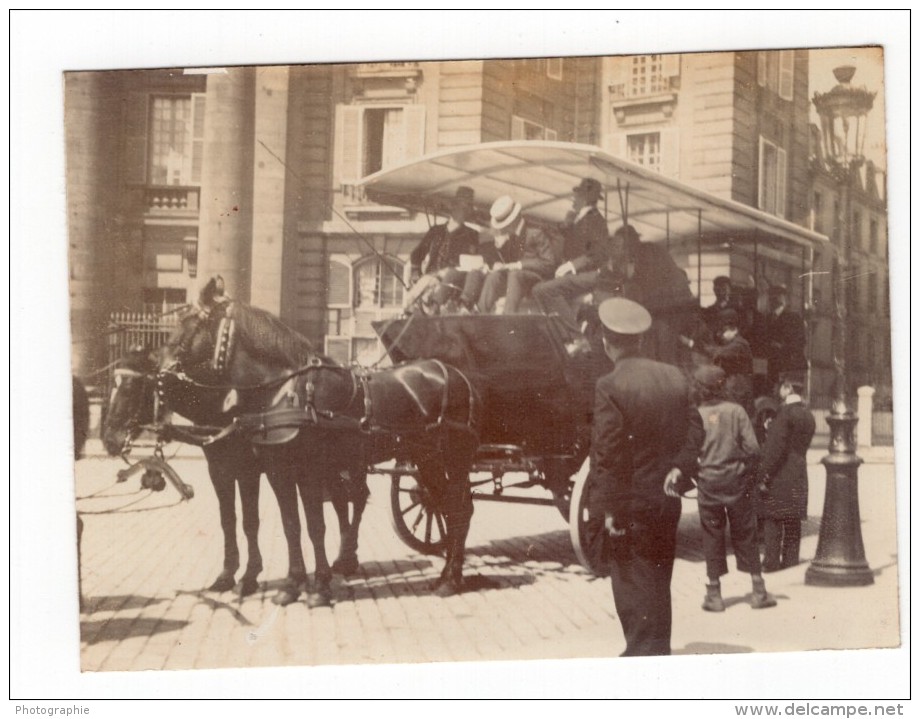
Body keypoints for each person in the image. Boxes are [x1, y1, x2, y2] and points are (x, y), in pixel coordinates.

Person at [589, 297, 704, 656]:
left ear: (608, 343)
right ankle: (658, 649)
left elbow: (606, 456)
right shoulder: (673, 375)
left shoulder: (609, 385)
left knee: (630, 581)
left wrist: (610, 511)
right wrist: (680, 467)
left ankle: (641, 658)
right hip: (666, 500)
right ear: (639, 340)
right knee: (658, 576)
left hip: (631, 505)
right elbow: (695, 430)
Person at [689, 364, 776, 612]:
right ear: (722, 386)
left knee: (712, 536)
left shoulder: (697, 414)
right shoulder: (736, 412)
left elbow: (690, 450)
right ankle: (758, 590)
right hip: (736, 482)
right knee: (745, 532)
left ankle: (714, 595)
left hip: (708, 484)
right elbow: (753, 448)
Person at [592, 224, 698, 367]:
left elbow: (646, 286)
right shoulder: (643, 252)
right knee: (654, 339)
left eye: (621, 245)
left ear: (630, 242)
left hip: (672, 306)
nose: (620, 249)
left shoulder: (648, 253)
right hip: (665, 306)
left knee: (660, 342)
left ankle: (662, 374)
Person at [531, 177, 610, 331]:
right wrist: (563, 226)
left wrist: (571, 265)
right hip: (576, 274)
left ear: (586, 198)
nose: (573, 199)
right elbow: (569, 241)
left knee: (543, 290)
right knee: (539, 288)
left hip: (589, 275)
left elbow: (597, 255)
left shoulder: (597, 221)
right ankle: (558, 330)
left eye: (577, 195)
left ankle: (573, 334)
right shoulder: (577, 219)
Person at [756, 376, 816, 572]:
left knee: (773, 518)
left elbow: (775, 449)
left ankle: (771, 562)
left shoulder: (784, 415)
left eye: (780, 387)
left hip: (780, 474)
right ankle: (790, 561)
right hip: (799, 472)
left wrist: (764, 475)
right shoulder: (808, 415)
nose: (777, 391)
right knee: (793, 520)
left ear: (787, 388)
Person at [404, 186, 479, 315]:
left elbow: (467, 264)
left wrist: (441, 276)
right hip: (428, 278)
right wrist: (415, 274)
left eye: (468, 208)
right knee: (411, 303)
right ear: (454, 207)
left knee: (423, 300)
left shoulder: (471, 235)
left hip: (451, 281)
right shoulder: (436, 231)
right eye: (464, 207)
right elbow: (417, 254)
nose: (466, 211)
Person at [477, 195, 558, 314]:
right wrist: (500, 252)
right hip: (517, 280)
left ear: (512, 222)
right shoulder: (511, 237)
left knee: (515, 274)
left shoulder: (535, 232)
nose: (502, 229)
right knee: (495, 276)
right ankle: (481, 314)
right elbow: (508, 263)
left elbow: (549, 263)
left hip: (536, 278)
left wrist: (519, 265)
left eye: (504, 225)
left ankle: (508, 316)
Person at [686, 308, 755, 417]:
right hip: (733, 389)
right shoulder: (732, 344)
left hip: (738, 390)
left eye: (722, 331)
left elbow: (719, 353)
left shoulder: (740, 344)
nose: (720, 335)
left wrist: (694, 344)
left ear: (733, 329)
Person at [760, 284, 808, 393]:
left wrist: (782, 346)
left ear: (783, 299)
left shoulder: (793, 318)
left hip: (791, 366)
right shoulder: (767, 319)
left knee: (790, 396)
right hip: (774, 367)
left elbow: (800, 341)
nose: (771, 300)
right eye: (771, 297)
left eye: (776, 296)